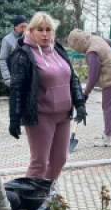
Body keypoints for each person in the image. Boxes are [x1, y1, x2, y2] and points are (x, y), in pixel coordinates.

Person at [8, 12, 86, 181]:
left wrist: (80, 103)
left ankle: (45, 196)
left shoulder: (58, 49)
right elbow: (17, 88)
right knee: (39, 163)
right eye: (40, 29)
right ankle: (29, 201)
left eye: (48, 29)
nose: (45, 34)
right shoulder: (24, 54)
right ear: (31, 31)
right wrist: (14, 118)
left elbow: (72, 78)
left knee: (59, 160)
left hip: (63, 116)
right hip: (41, 117)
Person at [67, 29, 111, 146]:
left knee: (108, 107)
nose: (75, 50)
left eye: (74, 47)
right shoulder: (96, 39)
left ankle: (107, 138)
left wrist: (85, 93)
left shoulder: (92, 52)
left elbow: (93, 76)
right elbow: (109, 42)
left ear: (78, 42)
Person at [0, 15, 28, 93]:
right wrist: (7, 78)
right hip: (14, 79)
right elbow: (2, 59)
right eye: (22, 27)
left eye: (26, 27)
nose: (24, 29)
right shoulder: (7, 40)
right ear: (15, 27)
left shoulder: (29, 38)